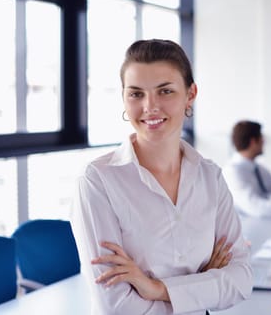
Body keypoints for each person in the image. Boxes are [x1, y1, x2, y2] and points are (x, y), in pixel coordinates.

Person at [72, 39, 252, 315]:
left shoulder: (210, 177)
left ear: (190, 94)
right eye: (136, 94)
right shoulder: (98, 181)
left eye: (165, 91)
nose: (150, 106)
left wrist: (156, 288)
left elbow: (240, 279)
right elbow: (116, 306)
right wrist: (202, 286)